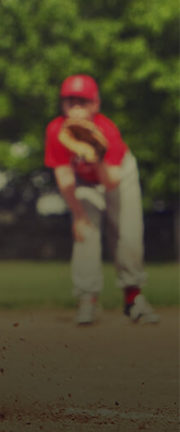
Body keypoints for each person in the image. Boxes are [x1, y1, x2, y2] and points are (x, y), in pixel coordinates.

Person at [43, 74, 159, 326]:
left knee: (128, 234)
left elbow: (111, 182)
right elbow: (64, 177)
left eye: (82, 101)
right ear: (62, 104)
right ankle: (87, 301)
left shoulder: (107, 130)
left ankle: (133, 298)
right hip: (83, 183)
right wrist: (78, 216)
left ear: (95, 104)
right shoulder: (56, 131)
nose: (75, 107)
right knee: (85, 233)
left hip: (117, 175)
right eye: (69, 101)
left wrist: (96, 156)